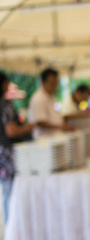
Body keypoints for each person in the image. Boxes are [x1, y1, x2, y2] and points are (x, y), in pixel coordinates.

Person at [0, 72, 34, 224]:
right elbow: (11, 131)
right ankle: (12, 230)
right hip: (8, 154)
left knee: (7, 192)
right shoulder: (5, 105)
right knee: (11, 193)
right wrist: (28, 128)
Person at [28, 68, 73, 137]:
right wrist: (61, 127)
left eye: (56, 83)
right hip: (44, 141)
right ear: (43, 82)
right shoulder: (39, 98)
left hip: (55, 139)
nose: (55, 87)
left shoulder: (50, 97)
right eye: (52, 84)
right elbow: (40, 121)